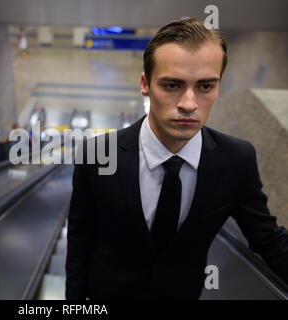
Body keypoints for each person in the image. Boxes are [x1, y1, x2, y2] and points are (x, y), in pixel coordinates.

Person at [66, 17, 288, 300]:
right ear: (145, 85)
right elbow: (79, 242)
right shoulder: (97, 155)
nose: (188, 104)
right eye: (172, 85)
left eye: (206, 86)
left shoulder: (236, 160)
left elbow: (268, 240)